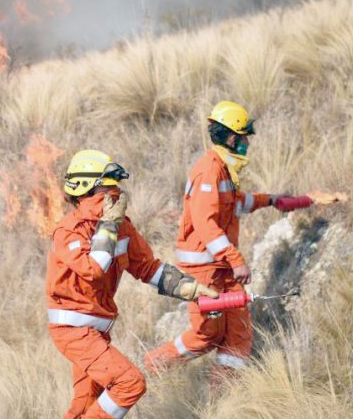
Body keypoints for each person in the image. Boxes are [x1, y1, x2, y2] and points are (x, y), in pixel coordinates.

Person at [47, 149, 219, 419]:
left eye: (117, 189)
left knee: (85, 405)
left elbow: (148, 268)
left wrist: (195, 291)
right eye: (108, 188)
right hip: (72, 331)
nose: (116, 195)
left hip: (96, 333)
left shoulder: (119, 227)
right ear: (85, 190)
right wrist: (109, 225)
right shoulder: (69, 231)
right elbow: (93, 269)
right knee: (130, 383)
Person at [143, 101, 280, 380]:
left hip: (222, 268)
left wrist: (272, 200)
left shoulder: (223, 167)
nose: (246, 144)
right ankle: (155, 364)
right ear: (232, 137)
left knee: (239, 332)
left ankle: (223, 395)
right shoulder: (210, 170)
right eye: (244, 138)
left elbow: (234, 204)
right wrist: (236, 260)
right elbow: (206, 223)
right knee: (207, 334)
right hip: (205, 270)